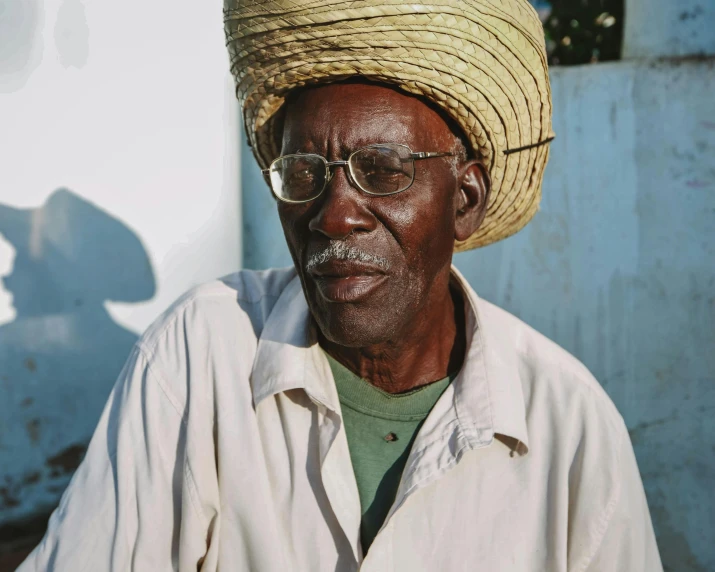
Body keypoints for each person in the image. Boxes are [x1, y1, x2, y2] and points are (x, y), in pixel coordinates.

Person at [19, 1, 662, 570]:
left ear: (463, 200)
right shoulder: (201, 355)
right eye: (303, 172)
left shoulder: (569, 425)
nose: (332, 215)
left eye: (381, 169)